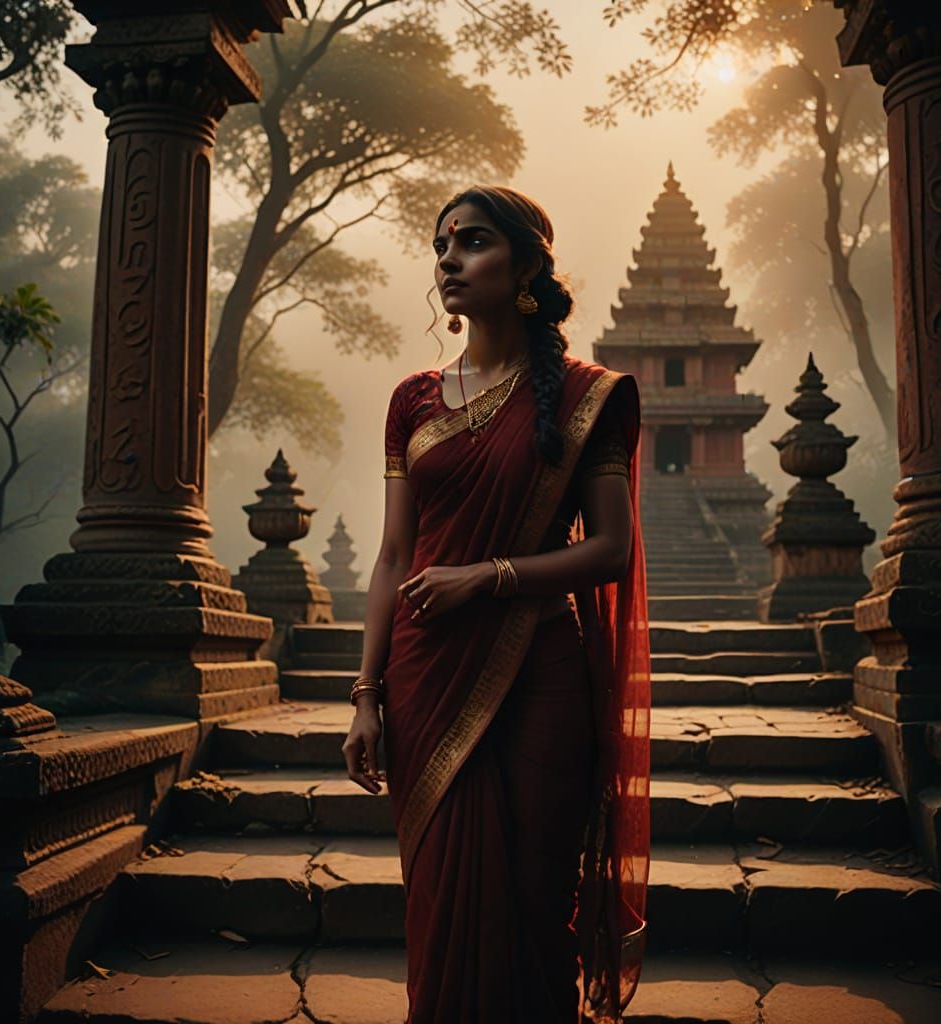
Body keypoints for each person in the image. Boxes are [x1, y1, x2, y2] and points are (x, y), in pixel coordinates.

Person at [342, 185, 651, 1024]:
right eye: (441, 244)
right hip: (423, 674)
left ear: (524, 265)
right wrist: (366, 698)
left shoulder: (589, 396)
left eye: (472, 242)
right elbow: (395, 556)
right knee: (444, 901)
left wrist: (488, 576)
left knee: (531, 899)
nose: (448, 259)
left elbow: (611, 549)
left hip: (541, 670)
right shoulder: (413, 400)